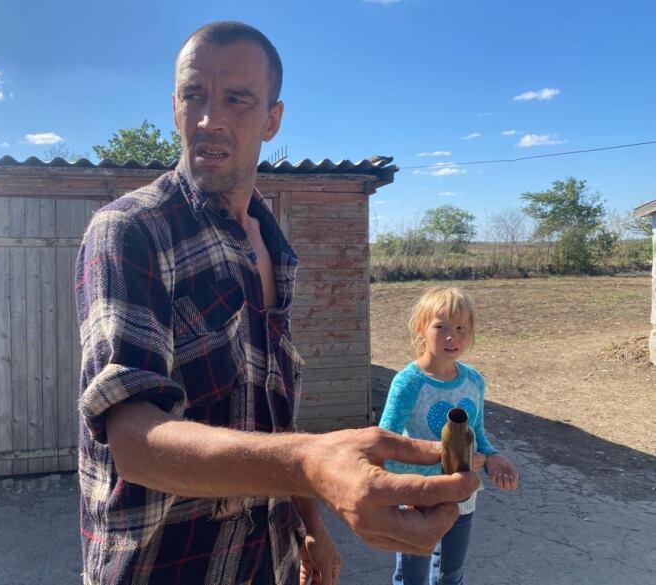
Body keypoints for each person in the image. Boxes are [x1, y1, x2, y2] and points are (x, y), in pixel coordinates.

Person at [75, 21, 478, 585]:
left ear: (272, 119)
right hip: (163, 565)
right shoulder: (131, 229)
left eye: (237, 98)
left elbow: (270, 414)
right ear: (174, 107)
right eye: (194, 96)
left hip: (267, 559)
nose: (210, 118)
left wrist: (309, 522)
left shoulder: (274, 246)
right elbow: (133, 440)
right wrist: (312, 465)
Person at [378, 286, 519, 585]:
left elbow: (477, 432)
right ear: (421, 328)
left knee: (451, 575)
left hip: (462, 495)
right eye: (440, 327)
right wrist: (453, 463)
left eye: (460, 328)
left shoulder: (474, 381)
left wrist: (493, 457)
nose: (451, 337)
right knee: (411, 577)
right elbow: (385, 447)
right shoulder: (407, 382)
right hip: (417, 495)